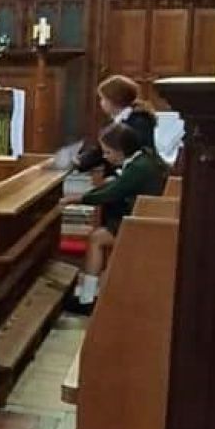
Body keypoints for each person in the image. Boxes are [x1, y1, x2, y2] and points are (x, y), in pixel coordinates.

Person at [69, 122, 168, 313]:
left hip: (142, 223)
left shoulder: (139, 167)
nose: (105, 157)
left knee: (96, 238)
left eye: (108, 153)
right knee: (100, 231)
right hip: (143, 214)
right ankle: (89, 294)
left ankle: (87, 299)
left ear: (121, 150)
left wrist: (79, 198)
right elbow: (117, 186)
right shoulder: (144, 158)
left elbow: (114, 192)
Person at [76, 75, 157, 174]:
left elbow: (110, 151)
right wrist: (79, 161)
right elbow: (103, 148)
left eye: (103, 99)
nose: (101, 103)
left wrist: (79, 162)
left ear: (114, 100)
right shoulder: (121, 120)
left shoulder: (138, 122)